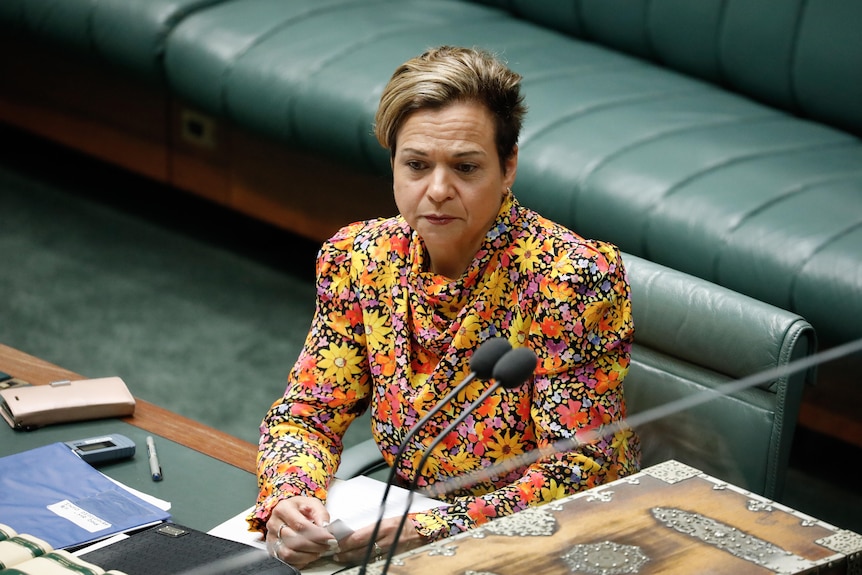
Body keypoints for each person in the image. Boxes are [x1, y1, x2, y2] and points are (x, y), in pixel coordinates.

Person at [247, 45, 640, 569]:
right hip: (401, 521)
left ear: (508, 166)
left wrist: (433, 528)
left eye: (465, 167)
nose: (436, 190)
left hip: (544, 544)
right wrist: (290, 498)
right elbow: (309, 415)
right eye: (416, 165)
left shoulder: (570, 279)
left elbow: (577, 472)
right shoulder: (359, 258)